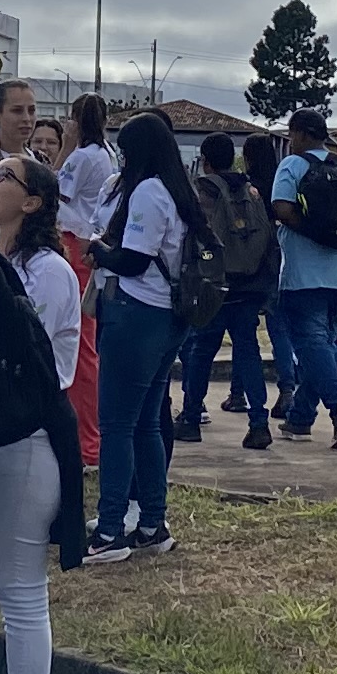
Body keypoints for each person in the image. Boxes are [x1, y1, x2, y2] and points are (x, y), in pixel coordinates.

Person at [0, 150, 81, 674]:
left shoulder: (48, 271)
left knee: (18, 589)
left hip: (30, 435)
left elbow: (18, 346)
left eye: (4, 177)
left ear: (34, 202)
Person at [84, 108, 199, 557]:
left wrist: (99, 252)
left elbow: (133, 260)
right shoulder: (176, 188)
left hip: (137, 313)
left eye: (125, 150)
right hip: (167, 317)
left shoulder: (148, 192)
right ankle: (153, 523)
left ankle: (110, 530)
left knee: (116, 424)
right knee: (147, 423)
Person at [268, 106, 337, 448]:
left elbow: (281, 207)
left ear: (299, 134)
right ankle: (299, 419)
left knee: (312, 345)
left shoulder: (292, 165)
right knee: (321, 349)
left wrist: (312, 231)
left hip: (303, 274)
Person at [181, 134, 281, 446]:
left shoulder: (205, 190)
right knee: (248, 350)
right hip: (250, 284)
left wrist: (206, 266)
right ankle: (259, 422)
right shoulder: (250, 190)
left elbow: (202, 242)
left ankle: (190, 417)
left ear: (205, 159)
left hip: (217, 285)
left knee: (201, 351)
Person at [57, 93, 116, 468]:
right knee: (85, 343)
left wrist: (63, 148)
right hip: (91, 241)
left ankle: (86, 440)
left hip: (73, 242)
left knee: (78, 345)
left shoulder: (81, 156)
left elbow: (52, 192)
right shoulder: (108, 153)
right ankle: (88, 438)